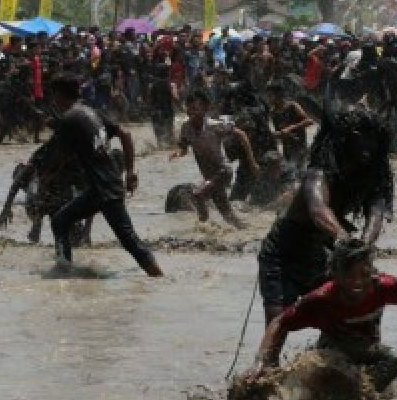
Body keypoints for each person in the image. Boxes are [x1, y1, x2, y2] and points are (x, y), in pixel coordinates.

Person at [240, 238, 397, 395]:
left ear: (372, 272)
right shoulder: (321, 299)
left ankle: (364, 399)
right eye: (349, 276)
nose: (358, 283)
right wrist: (261, 362)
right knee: (330, 383)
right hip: (333, 354)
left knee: (394, 362)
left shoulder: (381, 286)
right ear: (335, 275)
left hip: (367, 351)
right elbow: (279, 322)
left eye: (364, 274)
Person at [257, 106, 394, 325]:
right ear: (344, 140)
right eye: (362, 137)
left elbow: (376, 214)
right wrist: (343, 238)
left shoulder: (372, 178)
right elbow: (318, 210)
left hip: (322, 251)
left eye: (374, 138)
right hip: (284, 253)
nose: (368, 145)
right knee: (279, 324)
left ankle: (340, 354)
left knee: (362, 303)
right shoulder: (318, 173)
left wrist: (362, 247)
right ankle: (269, 360)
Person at [44, 74, 163, 276]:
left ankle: (159, 276)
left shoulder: (69, 119)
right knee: (60, 221)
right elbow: (125, 134)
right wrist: (131, 171)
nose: (53, 100)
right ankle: (63, 269)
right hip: (105, 184)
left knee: (129, 239)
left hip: (103, 189)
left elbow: (60, 157)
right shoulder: (91, 112)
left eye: (53, 95)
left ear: (59, 95)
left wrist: (47, 178)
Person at [171, 90, 257, 227]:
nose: (191, 113)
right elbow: (184, 146)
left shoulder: (214, 125)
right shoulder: (186, 127)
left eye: (195, 109)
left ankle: (203, 229)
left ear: (205, 108)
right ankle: (252, 229)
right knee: (229, 216)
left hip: (223, 171)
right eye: (188, 109)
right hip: (208, 175)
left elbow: (241, 134)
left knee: (198, 194)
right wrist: (178, 153)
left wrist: (252, 162)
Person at [266, 81, 314, 167]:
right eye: (268, 96)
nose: (268, 99)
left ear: (278, 95)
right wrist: (277, 135)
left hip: (300, 149)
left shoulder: (293, 106)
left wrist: (291, 128)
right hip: (287, 151)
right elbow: (281, 132)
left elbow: (309, 121)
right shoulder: (273, 113)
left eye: (270, 96)